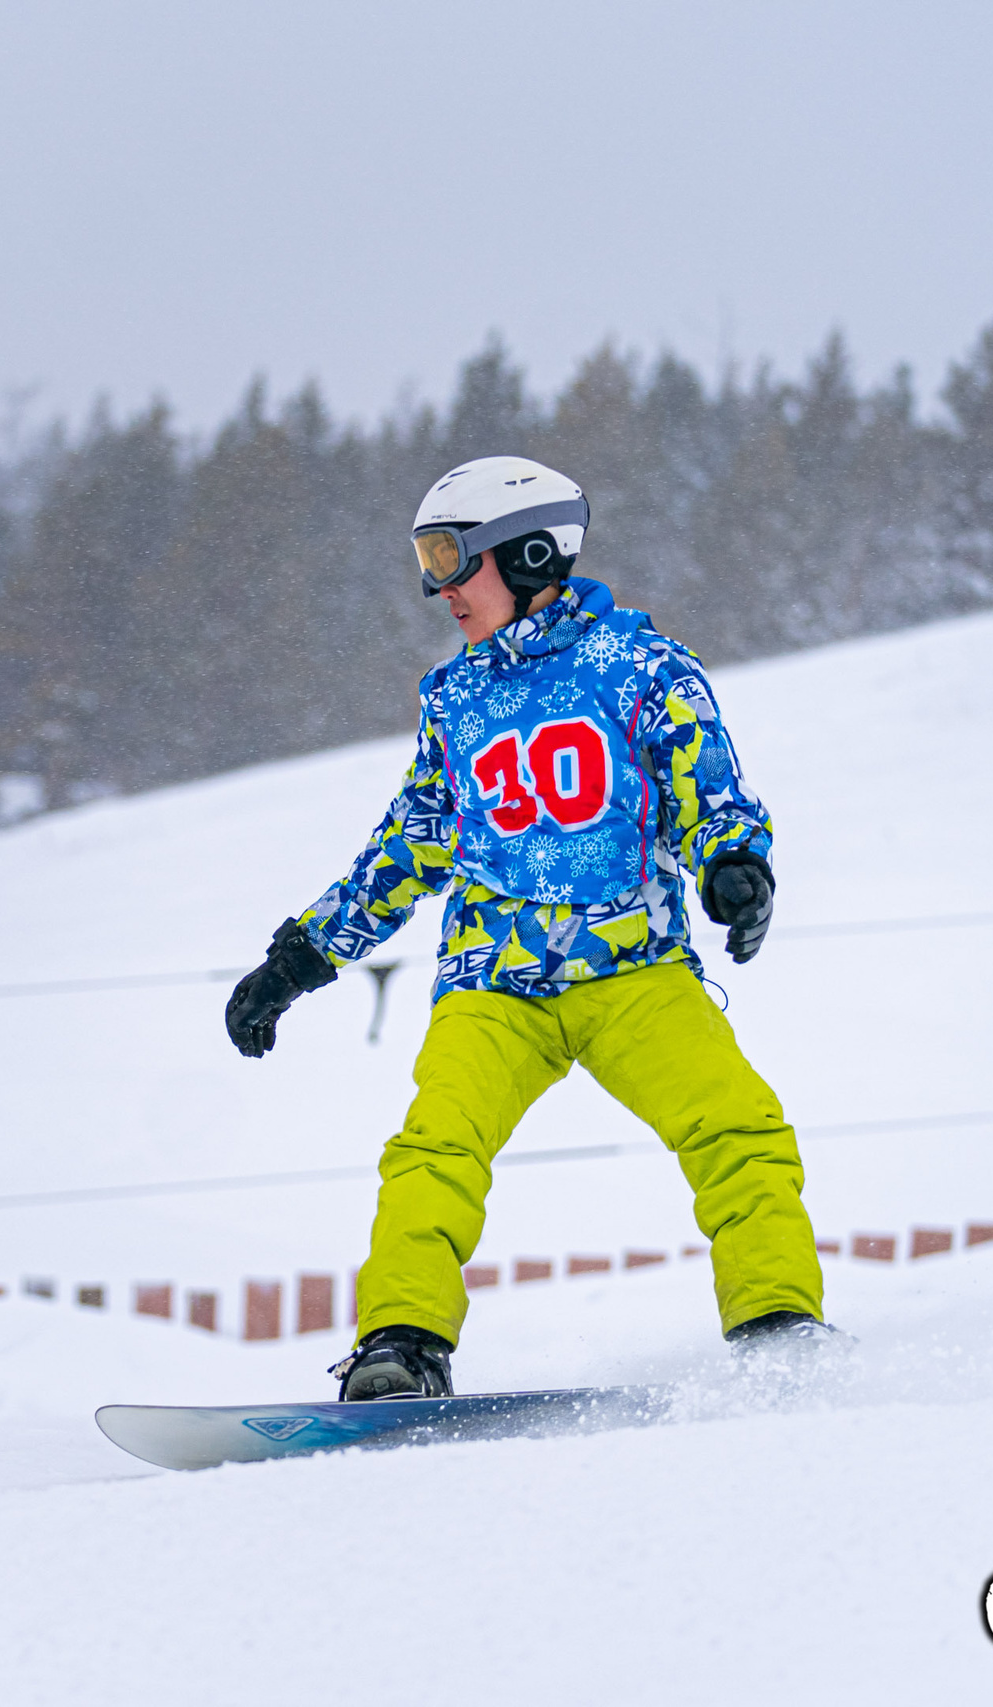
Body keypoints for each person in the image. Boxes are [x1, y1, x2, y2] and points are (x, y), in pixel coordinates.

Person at [223, 456, 833, 1401]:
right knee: (435, 1146)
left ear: (530, 551)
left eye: (452, 559)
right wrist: (299, 958)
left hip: (631, 970)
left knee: (738, 1129)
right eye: (426, 560)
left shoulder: (638, 668)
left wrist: (732, 863)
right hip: (492, 981)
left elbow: (707, 787)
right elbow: (411, 845)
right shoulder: (455, 699)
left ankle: (778, 1320)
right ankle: (402, 1344)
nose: (439, 588)